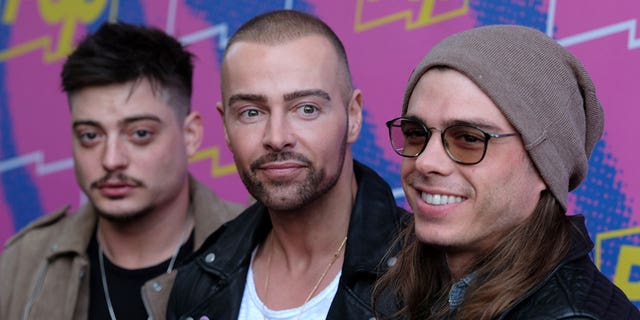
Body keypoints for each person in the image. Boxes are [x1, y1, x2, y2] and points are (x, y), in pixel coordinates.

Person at [374, 25, 640, 319]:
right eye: (416, 133)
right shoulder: (413, 284)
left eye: (469, 139)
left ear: (544, 166)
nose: (426, 161)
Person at [167, 10, 409, 320]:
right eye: (251, 113)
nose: (277, 137)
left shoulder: (426, 277)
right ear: (225, 127)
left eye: (306, 109)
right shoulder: (197, 282)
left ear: (354, 116)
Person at [0, 22, 243, 320]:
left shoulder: (258, 247)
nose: (111, 159)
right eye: (91, 135)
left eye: (140, 133)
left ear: (190, 135)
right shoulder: (24, 262)